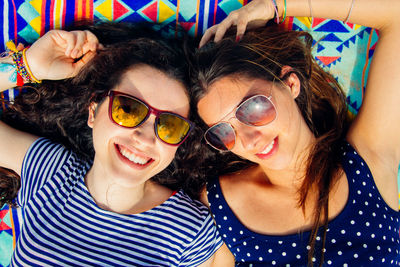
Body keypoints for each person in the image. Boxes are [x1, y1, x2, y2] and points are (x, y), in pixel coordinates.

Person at [191, 0, 400, 266]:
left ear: (290, 83)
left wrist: (275, 6)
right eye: (224, 132)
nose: (249, 139)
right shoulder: (218, 203)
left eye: (253, 108)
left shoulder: (369, 160)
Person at [0, 22, 222, 266]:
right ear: (93, 111)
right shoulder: (52, 171)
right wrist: (28, 66)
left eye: (170, 126)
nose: (145, 138)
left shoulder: (191, 232)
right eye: (128, 109)